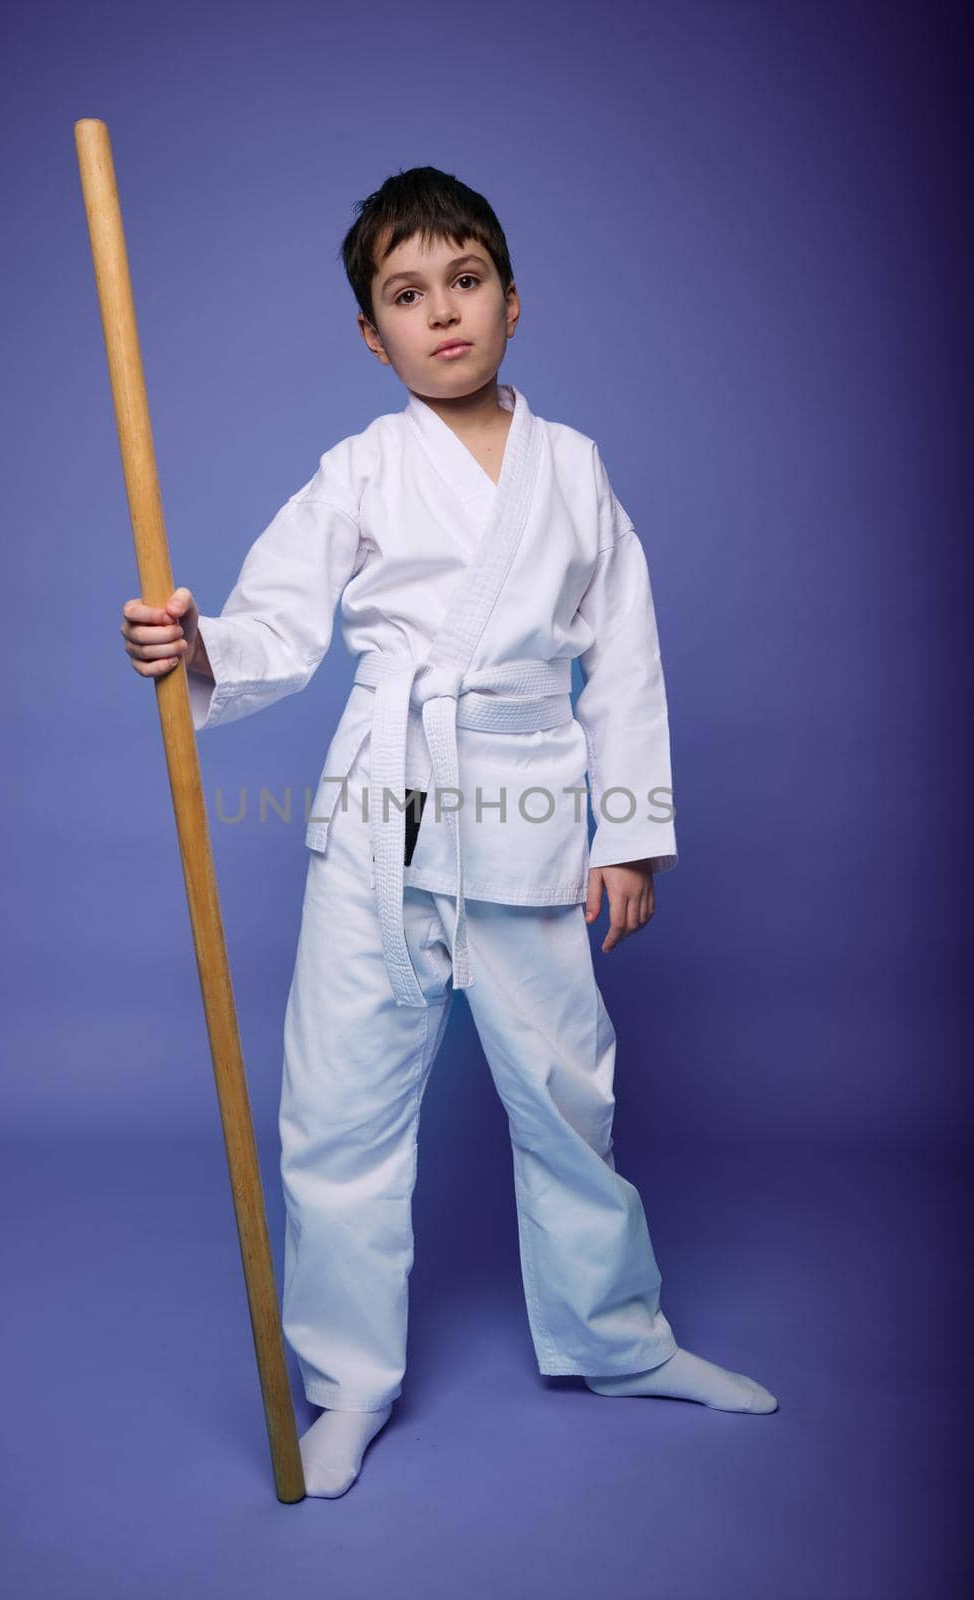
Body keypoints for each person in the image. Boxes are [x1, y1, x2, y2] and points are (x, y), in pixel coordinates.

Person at [120, 167, 778, 1499]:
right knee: (343, 1098)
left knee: (563, 1089)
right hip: (388, 795)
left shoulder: (574, 471)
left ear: (512, 302)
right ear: (373, 336)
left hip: (527, 792)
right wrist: (189, 646)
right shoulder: (359, 468)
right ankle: (347, 1383)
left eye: (463, 283)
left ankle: (615, 1337)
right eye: (406, 296)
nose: (441, 315)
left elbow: (625, 657)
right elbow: (273, 629)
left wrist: (628, 833)